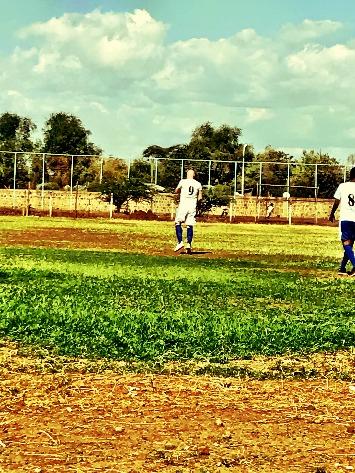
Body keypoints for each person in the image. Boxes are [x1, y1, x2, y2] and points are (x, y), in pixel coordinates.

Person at [329, 166, 355, 276]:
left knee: (346, 243)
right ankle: (342, 268)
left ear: (350, 175)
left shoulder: (343, 186)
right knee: (350, 243)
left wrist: (332, 213)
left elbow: (336, 201)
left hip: (346, 219)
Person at [174, 169, 202, 254]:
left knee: (178, 222)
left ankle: (180, 242)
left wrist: (179, 192)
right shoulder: (198, 184)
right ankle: (189, 243)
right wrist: (198, 205)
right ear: (194, 175)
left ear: (187, 174)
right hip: (192, 205)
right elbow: (200, 197)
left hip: (183, 205)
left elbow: (176, 191)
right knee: (190, 224)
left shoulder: (183, 181)